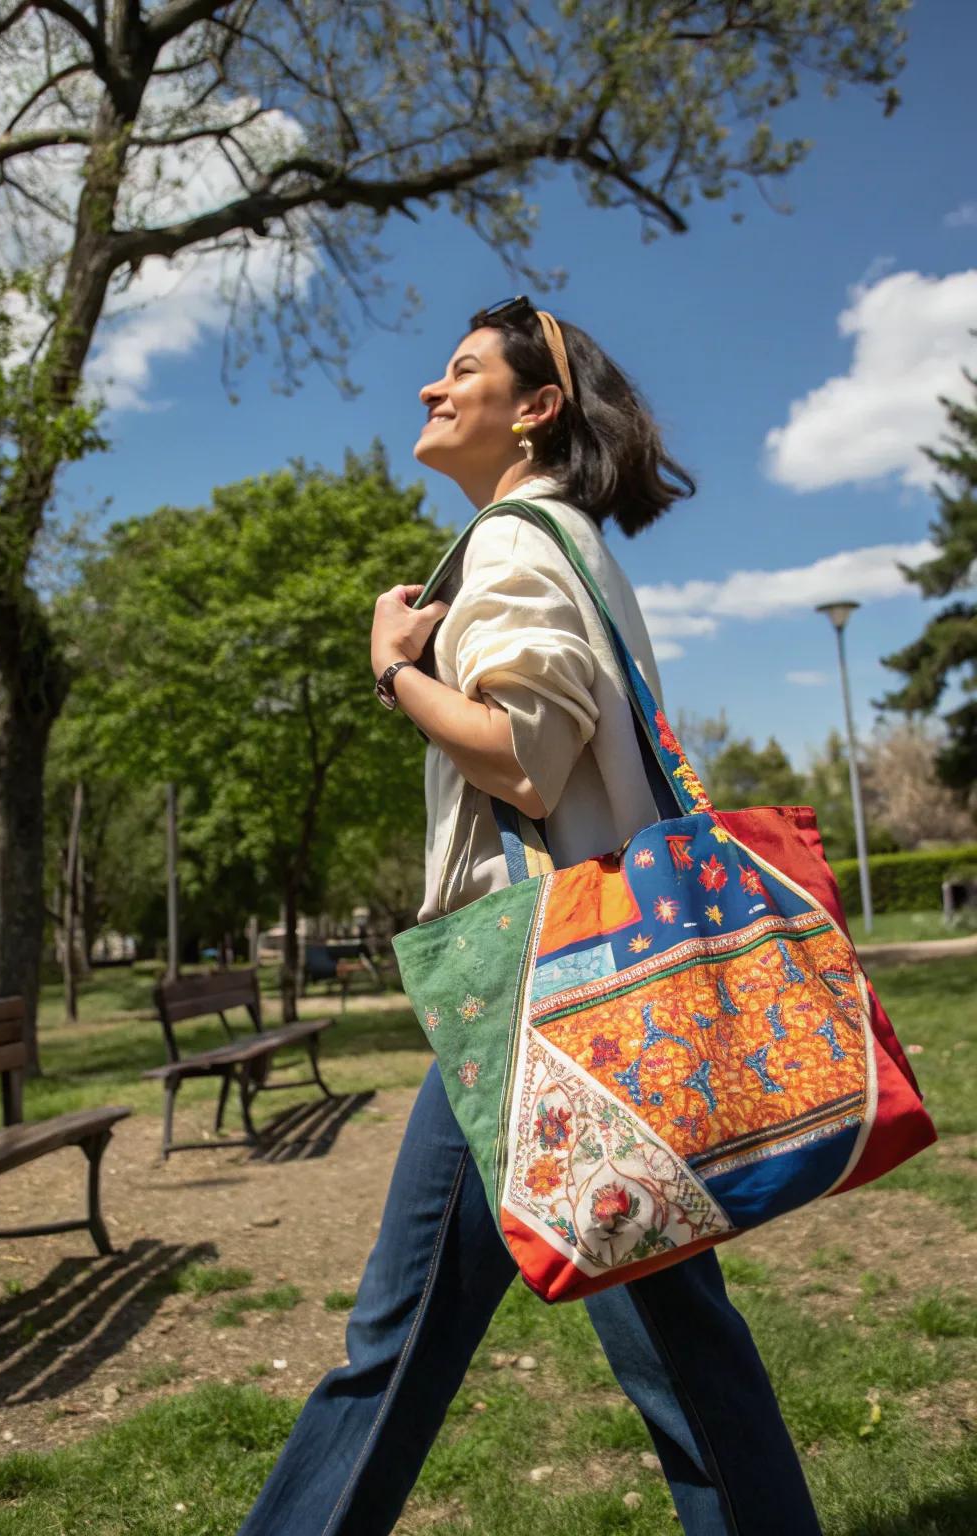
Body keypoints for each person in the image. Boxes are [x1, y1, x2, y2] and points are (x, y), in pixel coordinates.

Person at [237, 297, 823, 1536]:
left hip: (538, 996)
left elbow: (522, 757)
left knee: (402, 1345)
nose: (427, 393)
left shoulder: (510, 543)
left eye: (460, 373)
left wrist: (393, 667)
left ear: (535, 408)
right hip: (588, 997)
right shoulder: (569, 542)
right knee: (672, 1346)